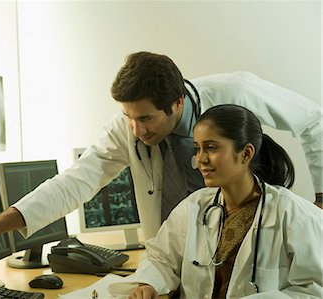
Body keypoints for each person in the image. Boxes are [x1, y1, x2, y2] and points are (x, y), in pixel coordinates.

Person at [0, 51, 322, 255]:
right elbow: (75, 181)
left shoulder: (236, 92)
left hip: (250, 244)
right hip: (176, 255)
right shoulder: (130, 127)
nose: (136, 130)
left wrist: (321, 198)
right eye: (128, 117)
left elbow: (313, 121)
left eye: (146, 118)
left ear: (176, 103)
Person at [108, 104, 323, 299]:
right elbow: (162, 258)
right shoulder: (194, 207)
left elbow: (315, 290)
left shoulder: (297, 217)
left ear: (246, 153)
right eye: (197, 148)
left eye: (211, 147)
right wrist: (149, 284)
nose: (200, 159)